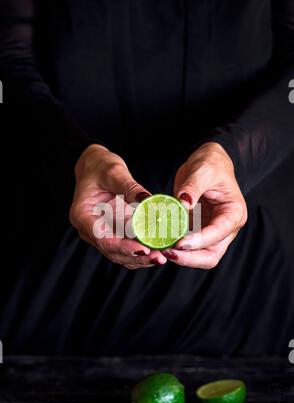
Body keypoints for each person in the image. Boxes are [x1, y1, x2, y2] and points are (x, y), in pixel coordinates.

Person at [1, 0, 294, 355]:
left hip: (240, 255)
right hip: (61, 250)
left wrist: (233, 157)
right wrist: (76, 156)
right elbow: (8, 62)